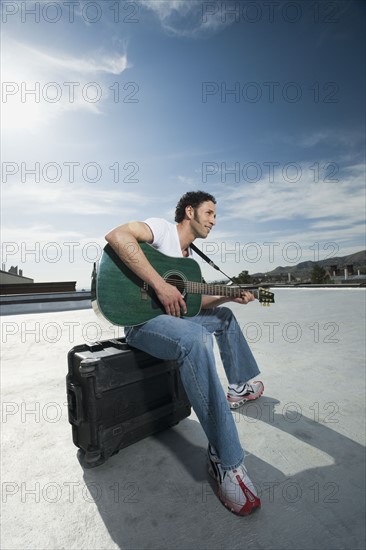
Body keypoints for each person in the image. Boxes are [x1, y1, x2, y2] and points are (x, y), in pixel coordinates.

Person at [105, 190, 264, 516]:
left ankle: (238, 386)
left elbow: (192, 303)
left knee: (223, 318)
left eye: (216, 215)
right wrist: (160, 286)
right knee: (194, 337)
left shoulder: (189, 260)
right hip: (141, 321)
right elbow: (117, 235)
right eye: (209, 213)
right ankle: (226, 459)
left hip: (175, 321)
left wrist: (228, 297)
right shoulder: (161, 230)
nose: (214, 221)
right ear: (189, 211)